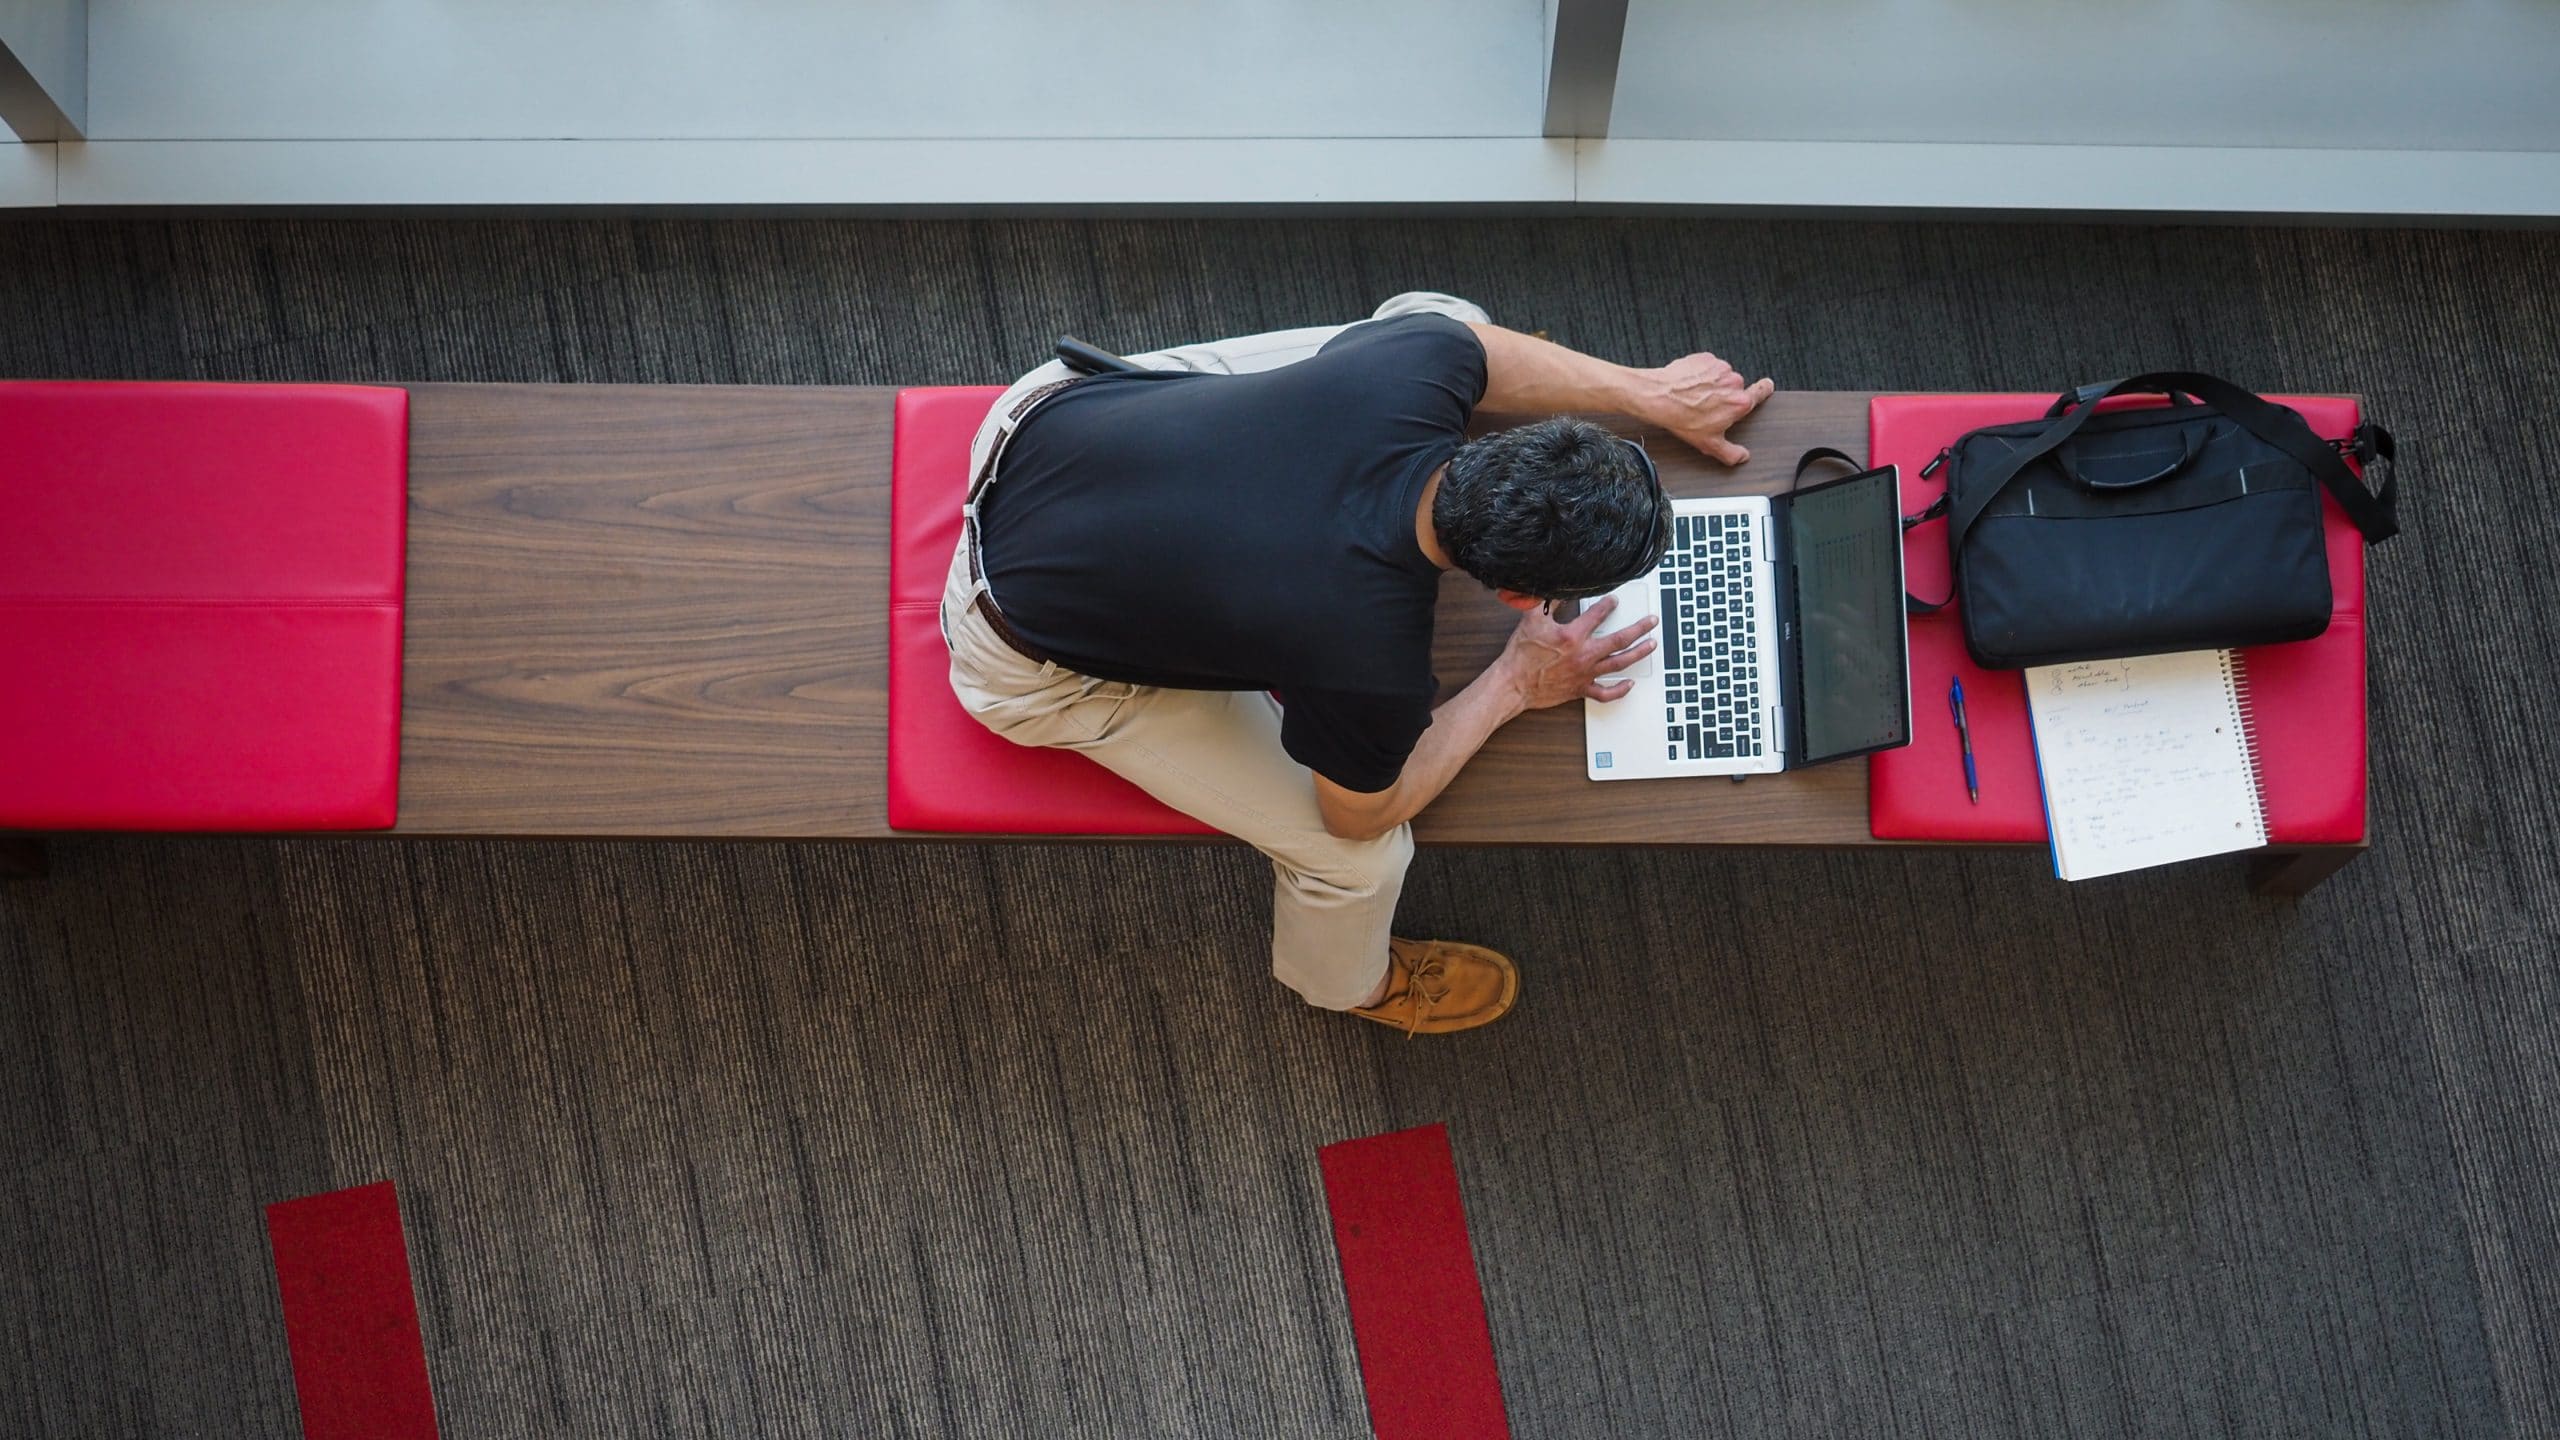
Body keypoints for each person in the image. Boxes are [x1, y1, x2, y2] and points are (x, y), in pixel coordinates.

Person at [942, 293, 1774, 1035]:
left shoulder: (1418, 364)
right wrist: (1514, 683)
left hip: (1042, 419)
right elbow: (1359, 815)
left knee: (1442, 312)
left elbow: (1476, 352)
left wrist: (1645, 393)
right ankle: (1347, 987)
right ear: (1522, 598)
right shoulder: (1367, 667)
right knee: (1361, 862)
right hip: (1008, 648)